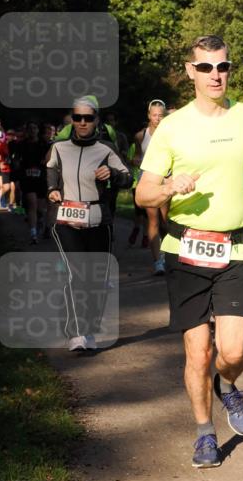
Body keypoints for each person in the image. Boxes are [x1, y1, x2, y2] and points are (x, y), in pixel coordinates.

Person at [136, 34, 243, 469]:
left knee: (233, 352)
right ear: (190, 71)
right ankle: (204, 432)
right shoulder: (172, 127)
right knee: (197, 351)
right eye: (206, 68)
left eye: (223, 67)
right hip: (186, 247)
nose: (215, 75)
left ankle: (228, 384)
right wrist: (167, 186)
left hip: (236, 248)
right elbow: (143, 194)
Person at [47, 96, 133, 351]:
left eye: (88, 118)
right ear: (72, 120)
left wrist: (113, 174)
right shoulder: (59, 147)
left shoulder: (106, 148)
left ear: (96, 120)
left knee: (95, 279)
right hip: (65, 221)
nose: (82, 122)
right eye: (77, 117)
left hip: (98, 220)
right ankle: (75, 333)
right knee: (76, 275)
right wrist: (52, 188)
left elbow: (128, 178)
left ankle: (90, 329)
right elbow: (51, 168)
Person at [133, 100, 168, 272]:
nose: (157, 118)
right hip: (148, 180)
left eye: (161, 115)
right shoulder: (141, 136)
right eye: (154, 115)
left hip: (167, 179)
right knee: (153, 220)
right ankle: (158, 262)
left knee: (166, 222)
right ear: (149, 116)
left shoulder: (171, 133)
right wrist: (136, 160)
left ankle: (169, 255)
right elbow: (137, 157)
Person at [14, 120, 49, 243]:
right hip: (27, 178)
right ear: (27, 131)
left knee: (40, 209)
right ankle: (33, 234)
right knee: (31, 204)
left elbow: (51, 157)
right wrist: (17, 171)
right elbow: (17, 160)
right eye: (30, 128)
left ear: (38, 130)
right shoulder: (22, 144)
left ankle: (40, 221)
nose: (32, 131)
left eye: (35, 128)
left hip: (41, 178)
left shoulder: (44, 144)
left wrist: (46, 160)